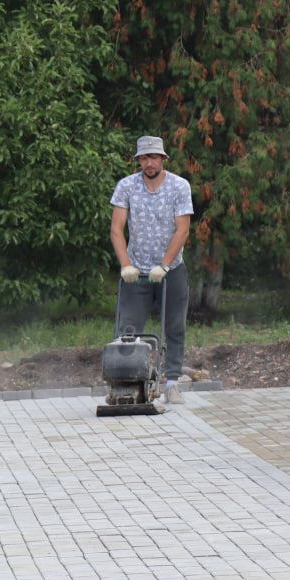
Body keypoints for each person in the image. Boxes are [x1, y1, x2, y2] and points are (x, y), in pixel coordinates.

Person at [110, 135, 194, 404]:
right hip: (137, 271)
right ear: (139, 161)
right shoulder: (127, 187)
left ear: (162, 159)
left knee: (174, 327)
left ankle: (171, 383)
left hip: (171, 270)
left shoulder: (179, 187)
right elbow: (116, 229)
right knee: (128, 330)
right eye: (144, 158)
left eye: (154, 157)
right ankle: (126, 382)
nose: (149, 163)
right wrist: (126, 264)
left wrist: (164, 265)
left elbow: (182, 230)